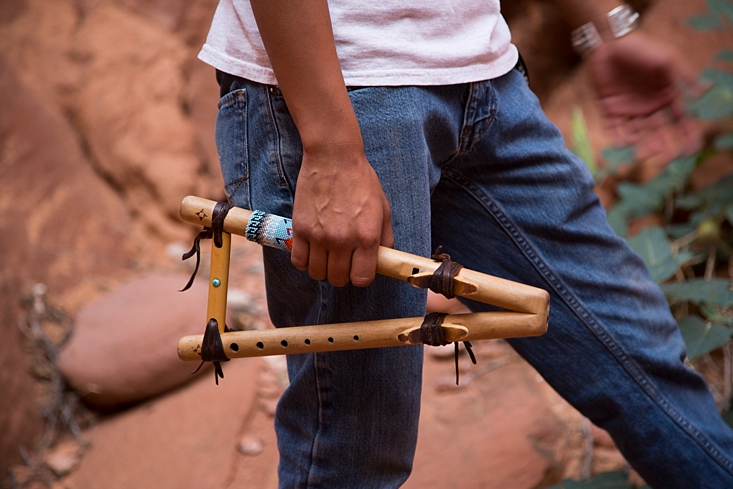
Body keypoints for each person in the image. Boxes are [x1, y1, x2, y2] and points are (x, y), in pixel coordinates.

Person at [198, 0, 733, 487]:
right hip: (343, 95)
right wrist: (333, 149)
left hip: (488, 80)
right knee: (353, 451)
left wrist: (604, 25)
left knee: (638, 357)